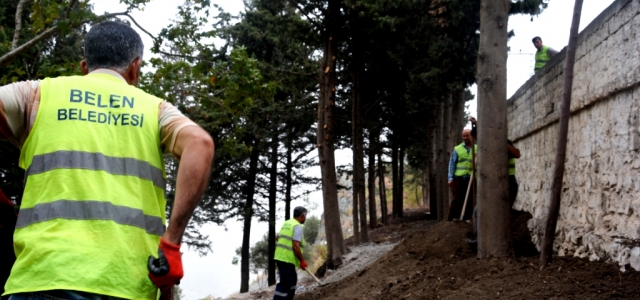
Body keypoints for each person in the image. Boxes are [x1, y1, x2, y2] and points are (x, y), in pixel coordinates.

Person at [0, 21, 214, 300]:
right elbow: (200, 143)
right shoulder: (155, 109)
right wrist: (171, 243)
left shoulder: (37, 94)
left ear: (84, 67)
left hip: (44, 278)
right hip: (128, 284)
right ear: (135, 67)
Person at [468, 117, 521, 244]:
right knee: (478, 210)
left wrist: (503, 144)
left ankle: (500, 241)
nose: (479, 140)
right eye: (477, 138)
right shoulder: (483, 148)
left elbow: (517, 154)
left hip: (507, 183)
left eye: (479, 136)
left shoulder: (502, 142)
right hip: (491, 185)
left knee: (500, 213)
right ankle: (479, 238)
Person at [273, 206, 308, 300]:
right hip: (287, 259)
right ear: (302, 215)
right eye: (306, 215)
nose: (306, 217)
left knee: (292, 281)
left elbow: (277, 237)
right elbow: (296, 245)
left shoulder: (287, 223)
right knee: (285, 285)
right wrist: (302, 260)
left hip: (279, 256)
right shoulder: (297, 226)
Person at [447, 129, 476, 221]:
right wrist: (450, 178)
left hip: (472, 178)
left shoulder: (477, 148)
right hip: (459, 179)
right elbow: (452, 164)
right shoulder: (457, 149)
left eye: (467, 136)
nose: (465, 138)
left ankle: (467, 219)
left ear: (471, 136)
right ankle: (452, 219)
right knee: (457, 199)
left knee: (470, 200)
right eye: (463, 136)